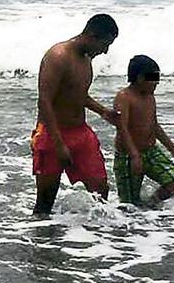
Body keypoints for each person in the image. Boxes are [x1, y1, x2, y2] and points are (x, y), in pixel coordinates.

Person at [30, 14, 119, 217]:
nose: (105, 51)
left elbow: (77, 94)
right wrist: (59, 143)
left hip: (80, 133)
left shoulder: (86, 59)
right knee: (45, 202)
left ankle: (97, 243)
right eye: (105, 44)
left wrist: (103, 111)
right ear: (92, 35)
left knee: (100, 191)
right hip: (52, 135)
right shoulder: (58, 56)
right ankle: (42, 246)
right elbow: (45, 101)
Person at [113, 55, 174, 207]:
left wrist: (172, 149)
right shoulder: (124, 97)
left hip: (151, 151)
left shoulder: (150, 97)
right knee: (129, 205)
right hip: (128, 155)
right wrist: (134, 155)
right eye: (153, 78)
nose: (157, 82)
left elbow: (154, 125)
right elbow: (122, 128)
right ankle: (135, 222)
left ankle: (150, 206)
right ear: (139, 78)